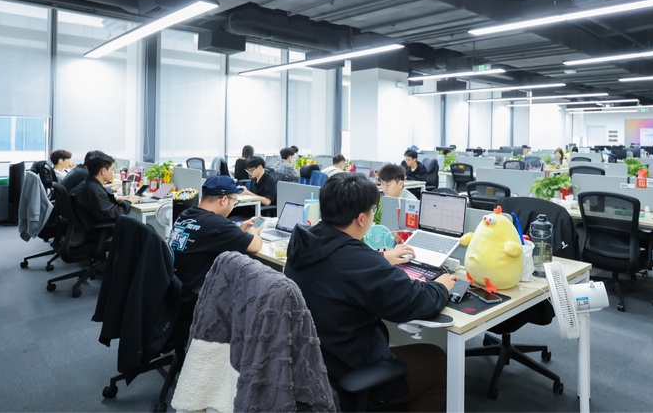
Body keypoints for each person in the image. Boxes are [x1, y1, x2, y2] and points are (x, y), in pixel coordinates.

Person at [284, 173, 456, 412]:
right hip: (347, 369)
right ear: (361, 218)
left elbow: (340, 265)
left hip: (314, 360)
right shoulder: (358, 260)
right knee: (435, 361)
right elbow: (413, 301)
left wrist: (380, 257)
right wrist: (441, 286)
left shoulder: (304, 242)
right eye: (372, 210)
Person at [169, 175, 263, 297]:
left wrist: (238, 230)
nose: (233, 206)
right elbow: (255, 246)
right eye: (234, 201)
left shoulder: (186, 214)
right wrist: (254, 231)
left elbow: (206, 237)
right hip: (196, 300)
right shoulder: (218, 225)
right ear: (224, 200)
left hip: (177, 290)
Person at [72, 152, 140, 230]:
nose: (112, 172)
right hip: (97, 230)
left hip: (88, 225)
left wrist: (116, 199)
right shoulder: (94, 189)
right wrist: (128, 201)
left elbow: (100, 204)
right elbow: (113, 214)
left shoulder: (89, 184)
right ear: (103, 171)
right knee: (142, 229)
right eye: (112, 169)